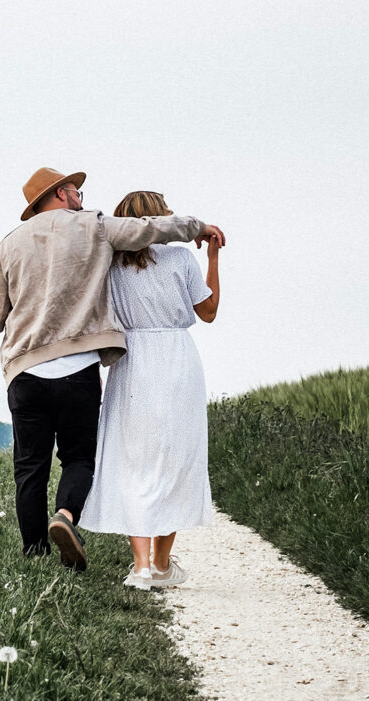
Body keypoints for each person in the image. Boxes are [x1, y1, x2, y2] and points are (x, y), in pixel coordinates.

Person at [0, 168, 225, 571]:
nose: (81, 197)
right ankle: (67, 516)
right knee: (79, 458)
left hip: (25, 369)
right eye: (76, 190)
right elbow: (149, 229)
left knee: (30, 465)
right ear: (60, 194)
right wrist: (199, 227)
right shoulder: (94, 228)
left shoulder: (6, 247)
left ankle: (34, 554)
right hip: (79, 367)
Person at [76, 190, 221, 590]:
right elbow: (207, 313)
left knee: (132, 460)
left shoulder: (109, 265)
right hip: (176, 358)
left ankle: (140, 565)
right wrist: (212, 258)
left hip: (131, 359)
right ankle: (161, 562)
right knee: (175, 457)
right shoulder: (180, 259)